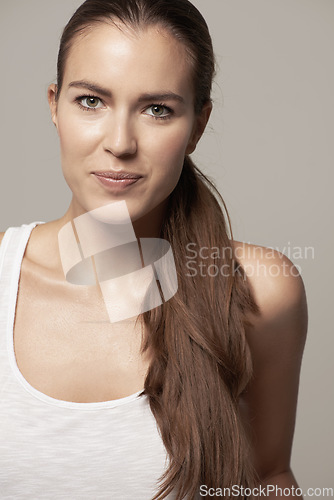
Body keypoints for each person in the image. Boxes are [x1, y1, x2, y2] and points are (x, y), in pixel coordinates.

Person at [0, 0, 308, 499]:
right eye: (91, 101)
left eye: (157, 109)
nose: (120, 142)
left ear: (198, 126)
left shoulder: (259, 287)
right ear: (54, 105)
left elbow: (268, 479)